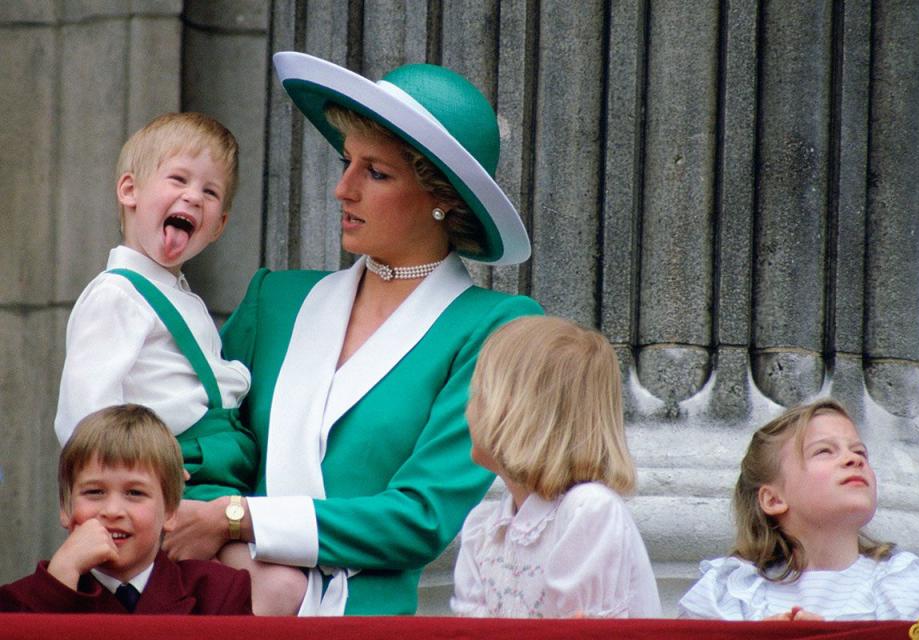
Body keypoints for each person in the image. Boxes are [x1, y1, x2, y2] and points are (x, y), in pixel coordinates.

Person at [161, 52, 543, 616]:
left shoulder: (495, 327)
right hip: (224, 607)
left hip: (365, 623)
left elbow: (420, 518)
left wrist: (239, 520)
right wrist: (220, 532)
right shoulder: (276, 298)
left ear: (443, 198)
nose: (343, 189)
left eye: (376, 172)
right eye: (347, 161)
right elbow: (204, 446)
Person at [54, 112, 257, 503]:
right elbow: (83, 412)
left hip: (214, 467)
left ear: (219, 226)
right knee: (265, 565)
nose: (194, 196)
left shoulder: (178, 296)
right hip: (172, 474)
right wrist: (124, 486)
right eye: (179, 179)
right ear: (130, 190)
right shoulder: (117, 295)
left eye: (210, 193)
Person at [450, 316, 661, 618]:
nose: (467, 410)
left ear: (514, 411)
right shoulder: (484, 529)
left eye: (478, 395)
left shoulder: (588, 510)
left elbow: (578, 631)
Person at [677, 398, 919, 620]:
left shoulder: (909, 586)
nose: (852, 459)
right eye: (824, 451)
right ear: (773, 499)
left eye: (860, 452)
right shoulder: (729, 592)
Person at [0, 405, 252, 614]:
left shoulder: (218, 593)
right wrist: (60, 580)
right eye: (94, 492)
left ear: (171, 512)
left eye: (135, 493)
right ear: (66, 507)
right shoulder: (16, 602)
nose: (112, 511)